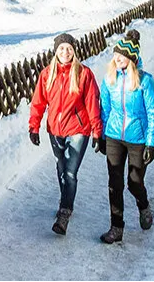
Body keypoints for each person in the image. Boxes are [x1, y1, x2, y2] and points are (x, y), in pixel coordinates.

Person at [28, 32, 104, 235]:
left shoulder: (84, 73)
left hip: (78, 129)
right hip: (55, 129)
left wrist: (97, 131)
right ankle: (66, 200)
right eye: (61, 48)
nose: (65, 52)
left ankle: (65, 212)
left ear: (74, 51)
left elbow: (92, 104)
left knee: (70, 172)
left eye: (69, 48)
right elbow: (38, 102)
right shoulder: (47, 74)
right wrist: (34, 127)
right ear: (56, 51)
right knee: (61, 168)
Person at [97, 29, 154, 244]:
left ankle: (143, 206)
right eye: (116, 55)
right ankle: (116, 228)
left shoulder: (145, 81)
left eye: (122, 56)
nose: (118, 59)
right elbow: (104, 108)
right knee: (114, 183)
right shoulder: (109, 79)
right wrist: (102, 136)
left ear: (131, 59)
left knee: (134, 182)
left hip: (138, 139)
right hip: (114, 135)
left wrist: (151, 144)